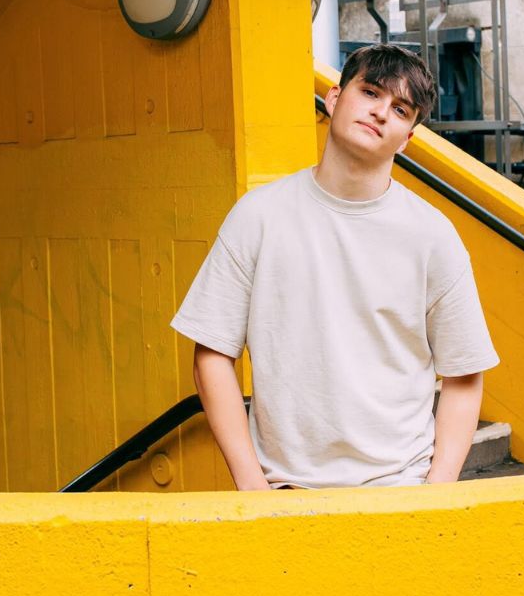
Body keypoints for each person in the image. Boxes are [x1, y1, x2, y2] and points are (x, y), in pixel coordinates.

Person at [171, 44, 499, 491]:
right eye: (370, 92)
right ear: (333, 97)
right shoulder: (259, 216)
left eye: (400, 109)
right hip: (285, 491)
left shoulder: (432, 236)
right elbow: (211, 353)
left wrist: (436, 489)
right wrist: (253, 488)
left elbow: (464, 373)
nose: (381, 112)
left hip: (400, 487)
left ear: (407, 139)